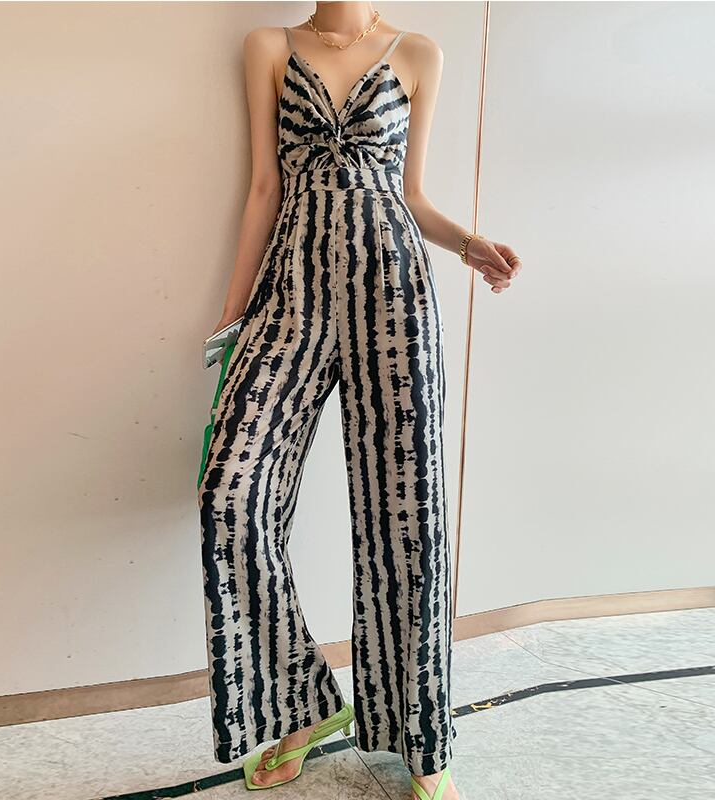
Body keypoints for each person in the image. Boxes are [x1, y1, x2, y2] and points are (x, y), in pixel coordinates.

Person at [198, 4, 522, 799]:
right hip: (291, 296)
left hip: (395, 293)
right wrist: (233, 320)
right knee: (229, 496)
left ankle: (423, 739)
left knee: (407, 518)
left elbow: (412, 194)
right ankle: (302, 707)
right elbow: (265, 187)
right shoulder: (270, 46)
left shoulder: (418, 53)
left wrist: (469, 243)